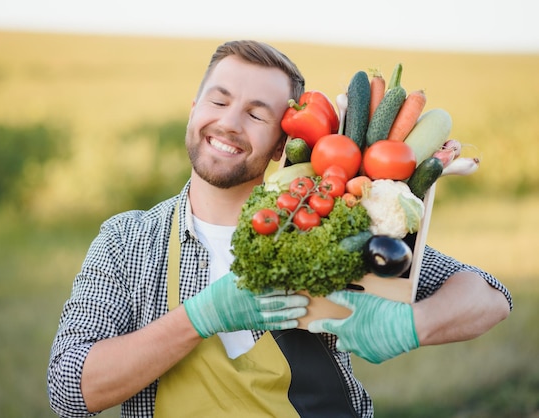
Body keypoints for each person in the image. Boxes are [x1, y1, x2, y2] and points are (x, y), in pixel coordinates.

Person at [47, 40, 512, 418]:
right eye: (219, 100)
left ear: (280, 145)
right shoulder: (128, 242)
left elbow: (489, 296)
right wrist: (198, 319)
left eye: (255, 114)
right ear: (194, 110)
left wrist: (412, 325)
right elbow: (69, 388)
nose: (228, 123)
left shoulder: (326, 221)